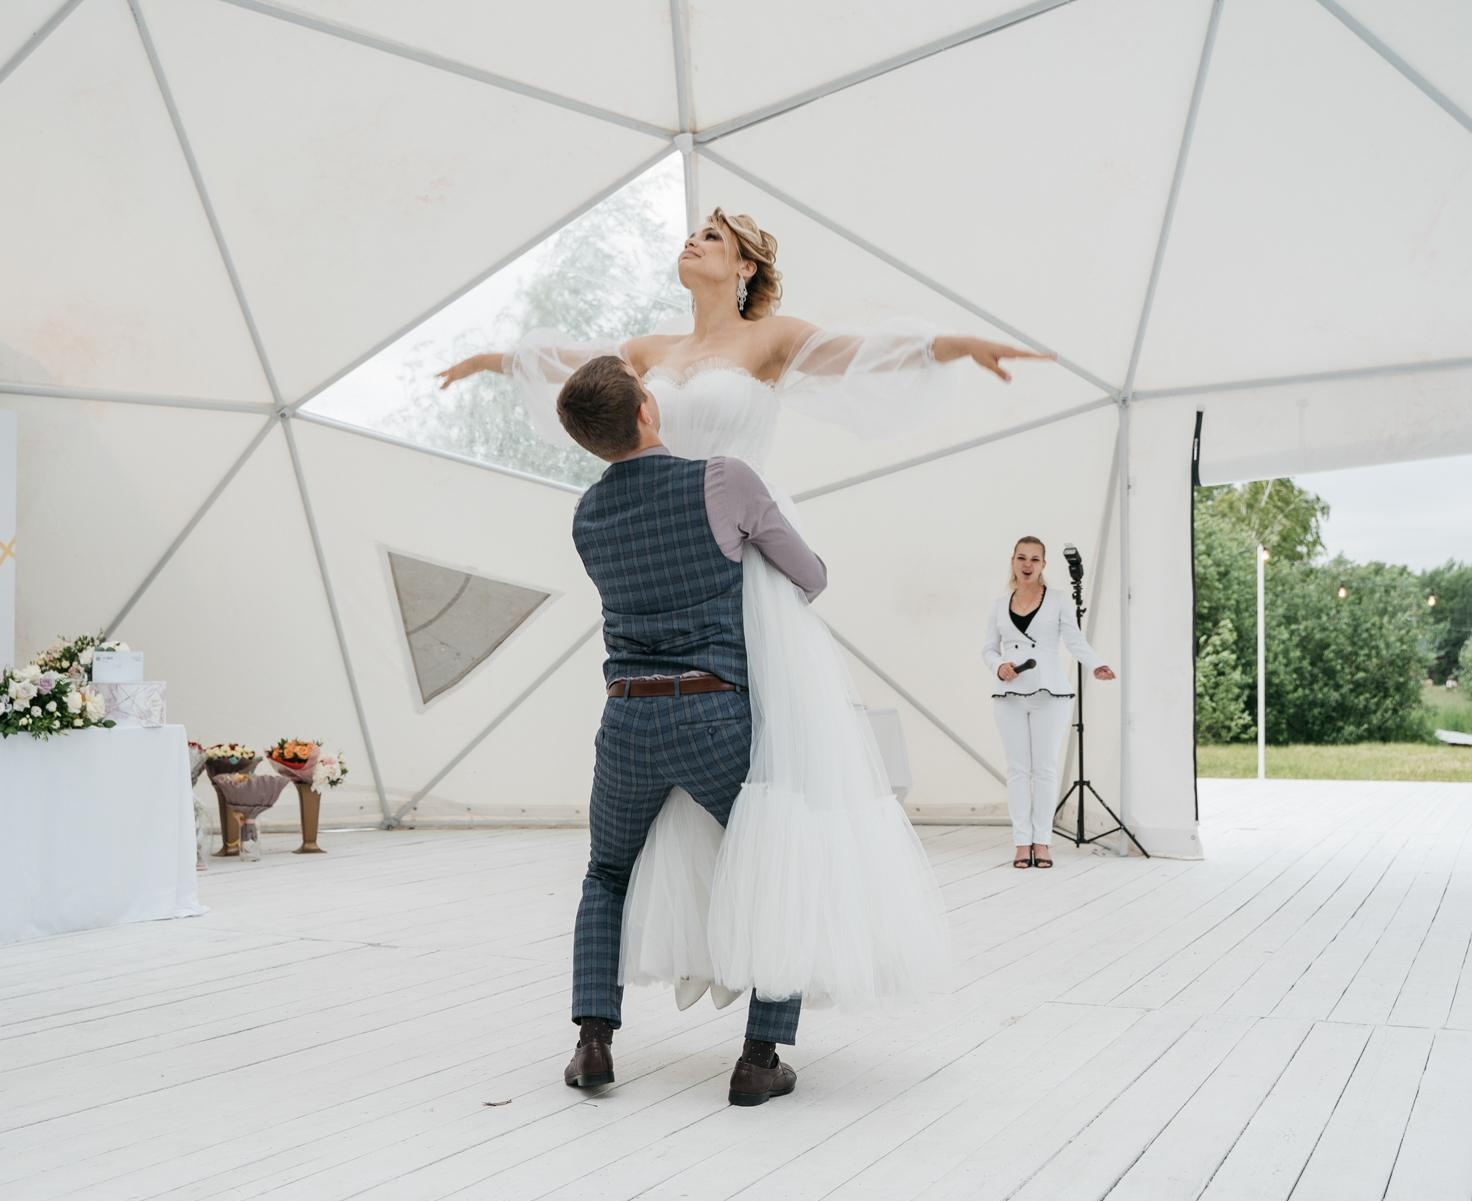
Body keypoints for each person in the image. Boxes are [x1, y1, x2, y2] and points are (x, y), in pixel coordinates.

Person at [439, 208, 1054, 1009]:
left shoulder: (772, 340)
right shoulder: (647, 352)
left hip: (749, 551)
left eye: (714, 238)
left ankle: (771, 971)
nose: (693, 240)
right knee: (693, 788)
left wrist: (956, 345)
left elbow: (860, 353)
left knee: (778, 772)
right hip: (671, 558)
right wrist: (494, 361)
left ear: (745, 268)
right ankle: (729, 982)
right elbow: (574, 371)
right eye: (693, 232)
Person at [556, 354, 827, 1106]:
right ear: (648, 409)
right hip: (713, 712)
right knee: (778, 857)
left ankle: (592, 1044)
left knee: (606, 875)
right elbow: (809, 577)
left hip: (627, 716)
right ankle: (759, 1056)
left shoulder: (586, 515)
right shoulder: (724, 479)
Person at [981, 536, 1115, 869]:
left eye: (1035, 559)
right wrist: (998, 666)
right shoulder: (999, 604)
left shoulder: (1057, 600)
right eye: (1022, 557)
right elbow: (989, 648)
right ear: (1012, 560)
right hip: (1009, 694)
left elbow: (1074, 639)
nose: (1027, 565)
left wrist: (1096, 664)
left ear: (1043, 564)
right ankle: (1020, 842)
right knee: (1017, 770)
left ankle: (1042, 841)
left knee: (1044, 769)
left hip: (1050, 693)